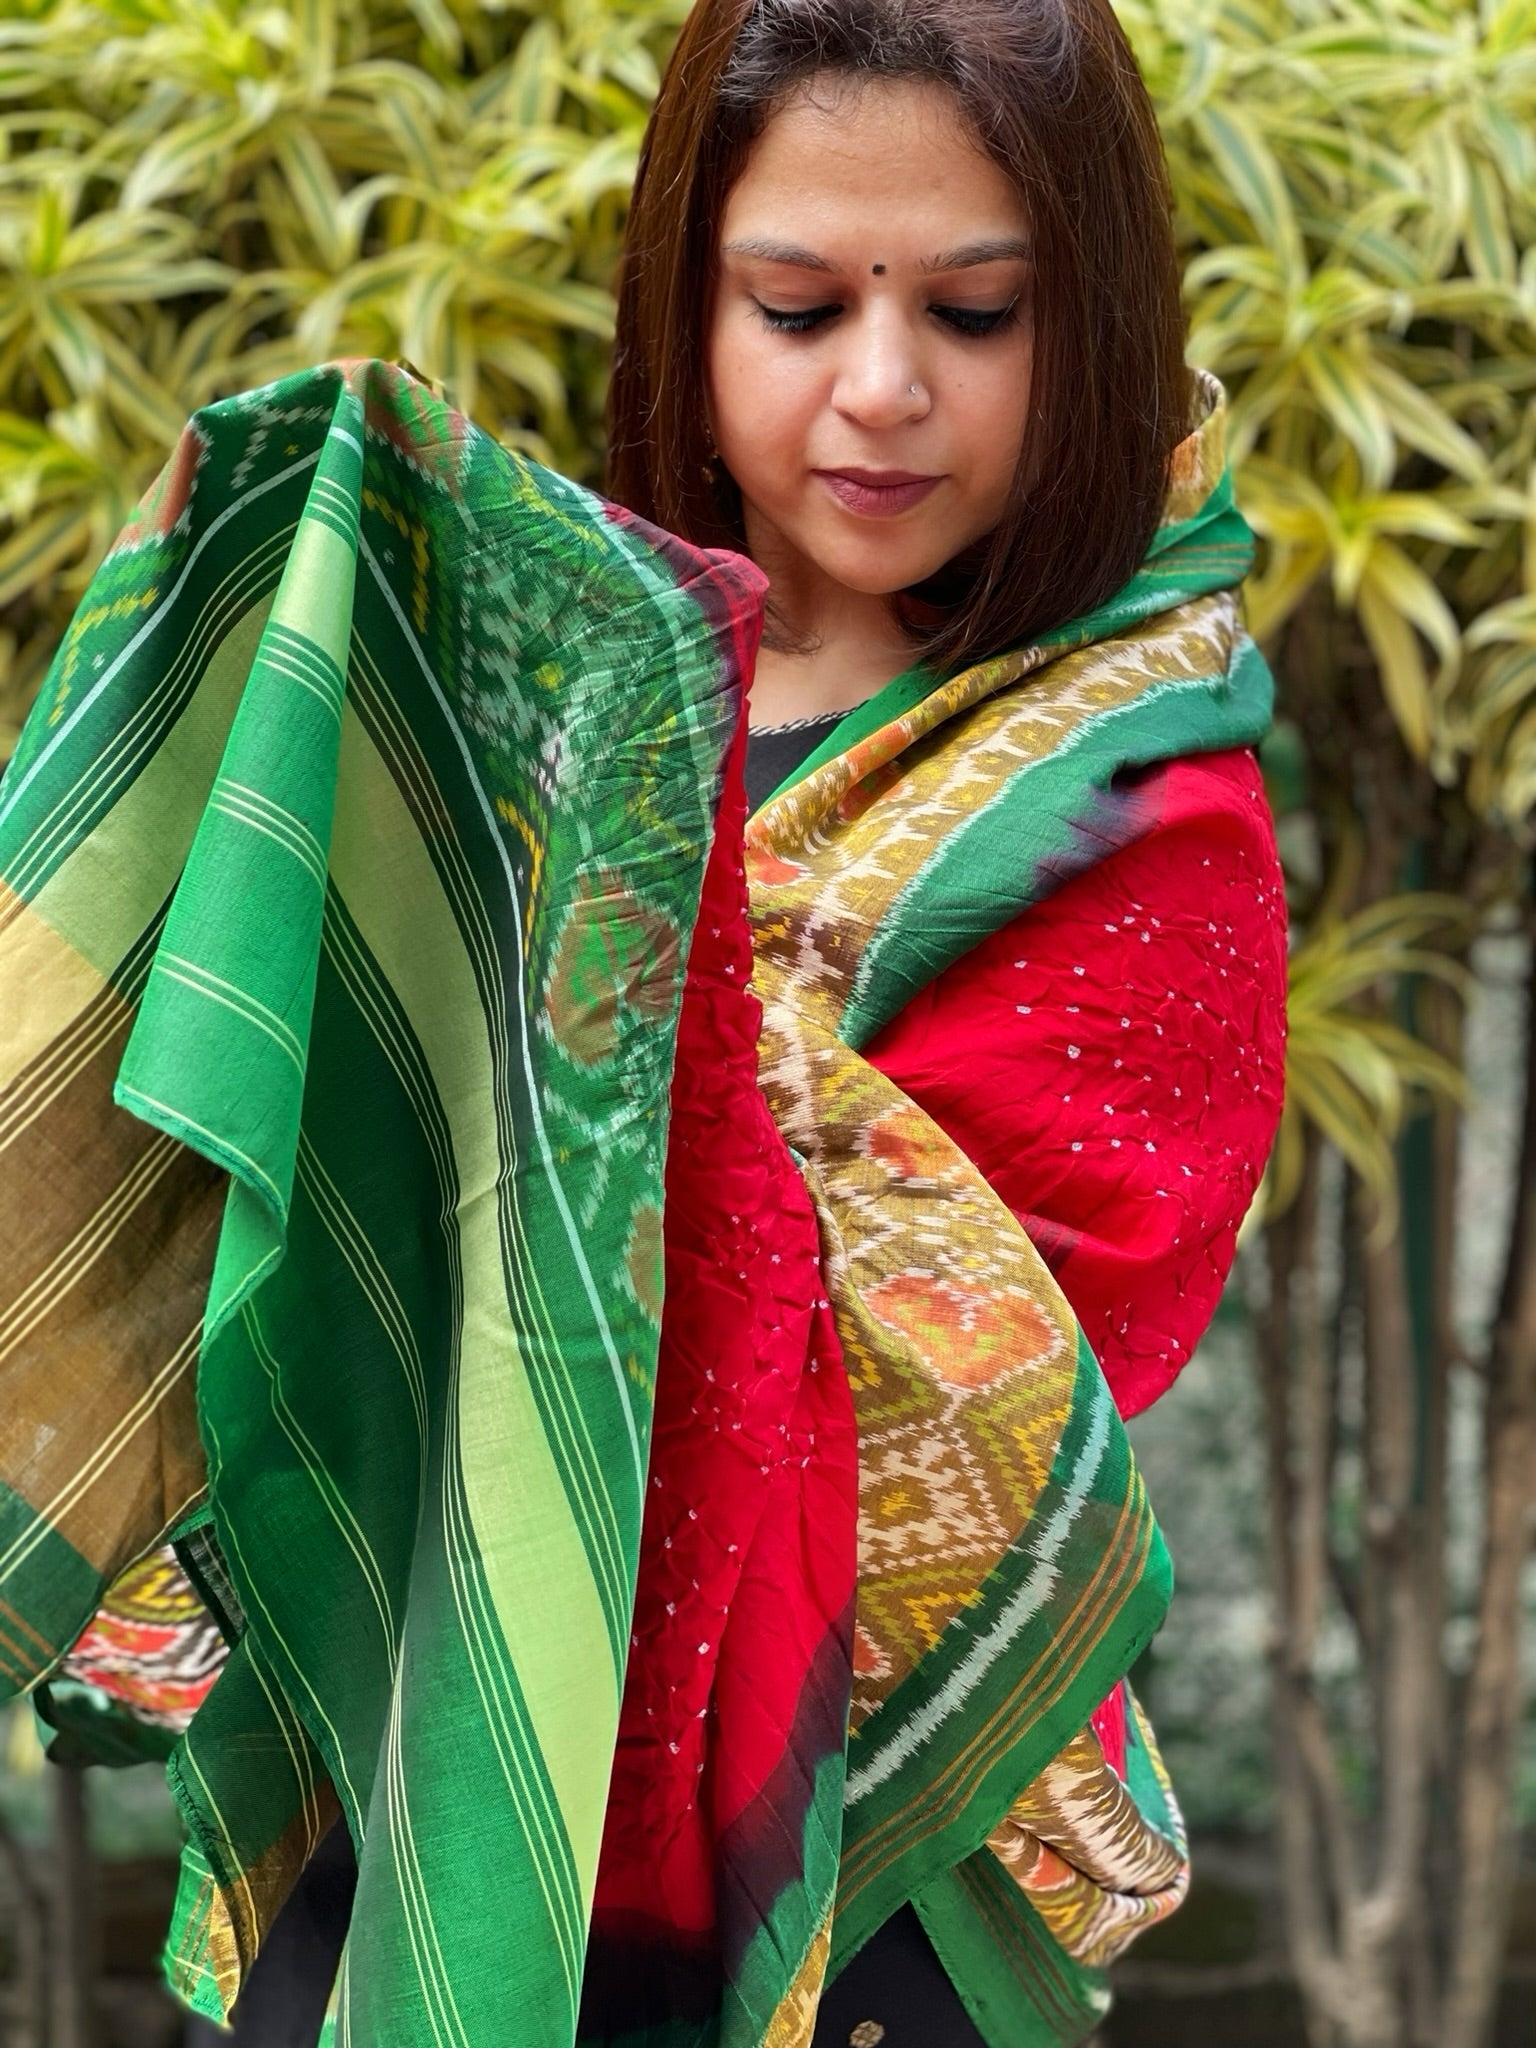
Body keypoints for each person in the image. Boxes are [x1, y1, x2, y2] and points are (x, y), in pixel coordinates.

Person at [1, 2, 1284, 2045]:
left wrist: (567, 1025)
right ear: (684, 300)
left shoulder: (1129, 799)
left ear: (1099, 319)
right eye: (794, 305)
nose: (881, 390)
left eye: (973, 311)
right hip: (424, 1722)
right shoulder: (546, 699)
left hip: (868, 1852)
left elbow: (996, 1370)